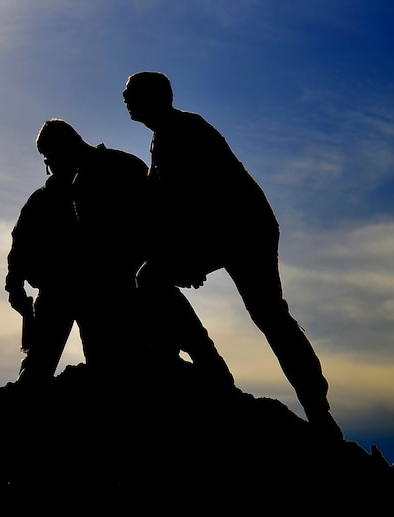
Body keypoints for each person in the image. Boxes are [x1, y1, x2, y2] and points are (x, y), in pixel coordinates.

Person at [123, 71, 341, 437]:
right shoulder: (161, 140)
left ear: (155, 97)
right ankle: (199, 364)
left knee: (269, 314)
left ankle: (317, 409)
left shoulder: (186, 131)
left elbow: (202, 198)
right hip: (219, 231)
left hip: (244, 229)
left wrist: (188, 255)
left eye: (131, 94)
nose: (125, 100)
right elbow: (163, 201)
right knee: (153, 277)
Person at [6, 119, 231, 383]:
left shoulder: (121, 168)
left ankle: (211, 369)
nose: (50, 166)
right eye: (46, 161)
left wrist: (180, 258)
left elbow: (161, 214)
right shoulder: (45, 198)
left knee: (117, 361)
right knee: (44, 365)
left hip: (115, 287)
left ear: (65, 147)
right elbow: (20, 244)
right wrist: (15, 285)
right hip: (63, 291)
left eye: (50, 157)